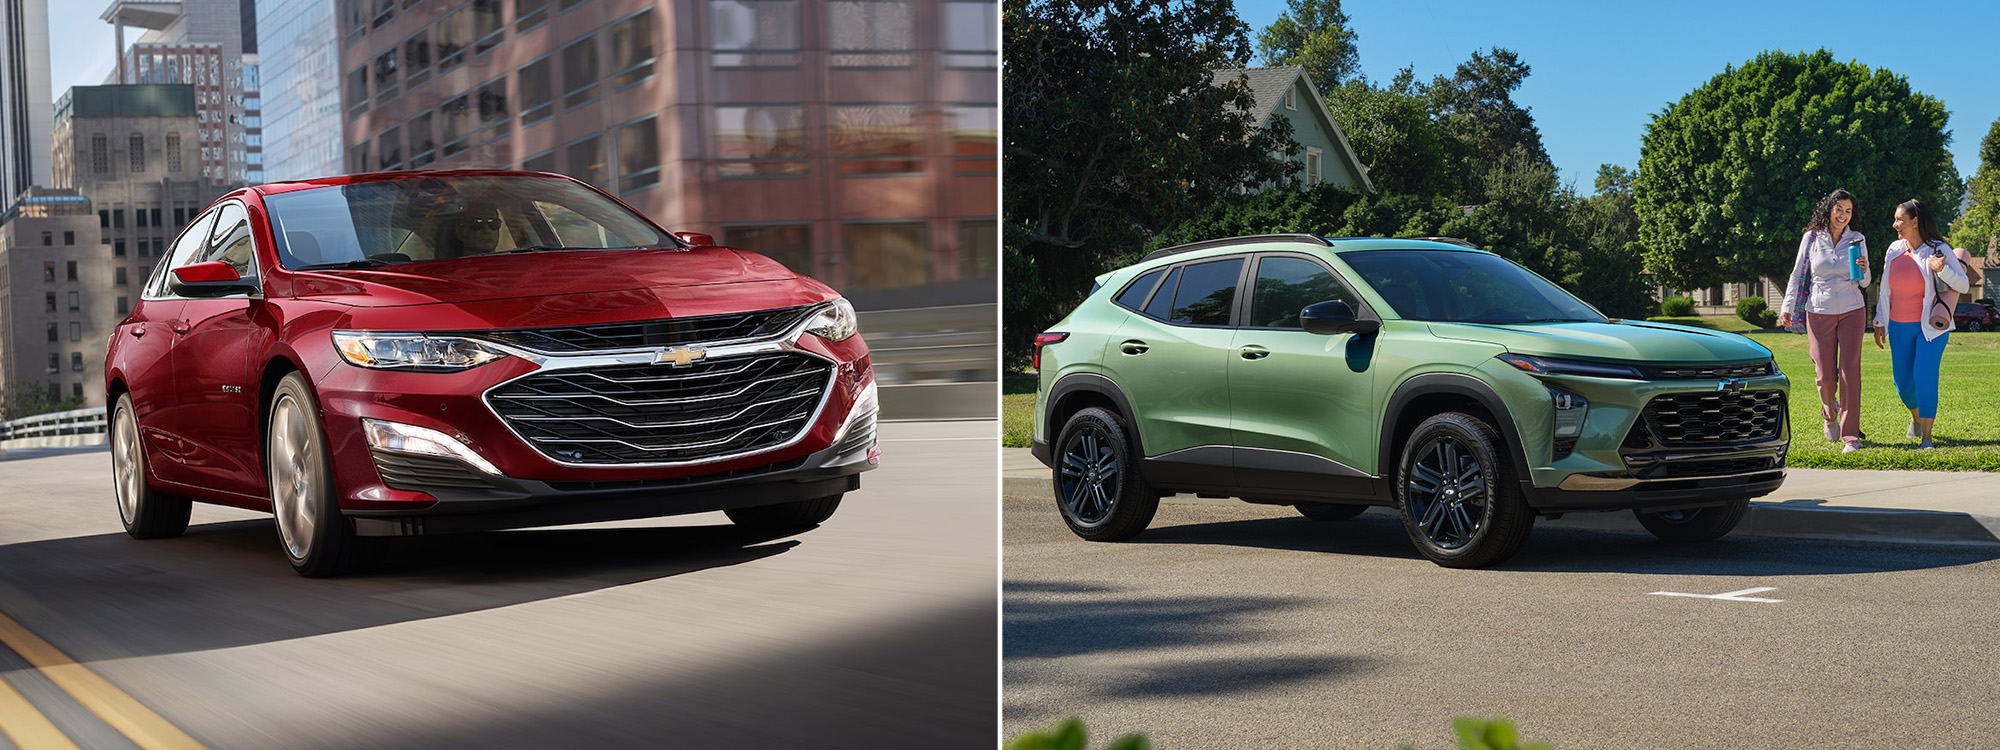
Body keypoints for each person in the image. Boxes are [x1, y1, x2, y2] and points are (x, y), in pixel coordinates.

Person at [1777, 189, 1870, 452]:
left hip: (1853, 309)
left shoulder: (1857, 238)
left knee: (1850, 373)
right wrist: (1787, 307)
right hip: (1818, 311)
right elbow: (1797, 275)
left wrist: (1863, 269)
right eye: (1839, 208)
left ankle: (1851, 435)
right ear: (1829, 209)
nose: (1843, 214)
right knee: (1825, 375)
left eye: (1848, 210)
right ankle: (1830, 414)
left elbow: (1865, 281)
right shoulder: (1812, 238)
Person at [1872, 198, 1967, 449]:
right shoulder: (1893, 249)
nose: (1895, 224)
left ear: (1915, 222)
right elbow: (1884, 290)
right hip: (1899, 325)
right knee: (1903, 381)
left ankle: (1927, 438)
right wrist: (1879, 319)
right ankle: (1915, 419)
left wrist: (1942, 269)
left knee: (1924, 376)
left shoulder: (1939, 249)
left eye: (1899, 219)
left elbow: (1963, 285)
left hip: (1931, 328)